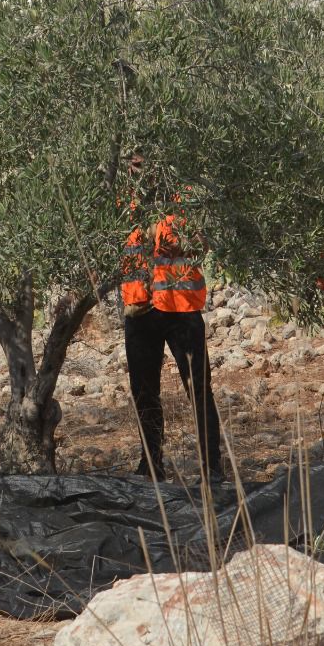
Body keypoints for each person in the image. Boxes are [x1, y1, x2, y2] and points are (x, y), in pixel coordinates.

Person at [122, 201, 223, 484]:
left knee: (199, 391)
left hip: (181, 309)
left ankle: (212, 469)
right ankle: (151, 467)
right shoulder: (121, 198)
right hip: (139, 309)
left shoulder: (184, 195)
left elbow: (204, 243)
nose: (136, 163)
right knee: (144, 393)